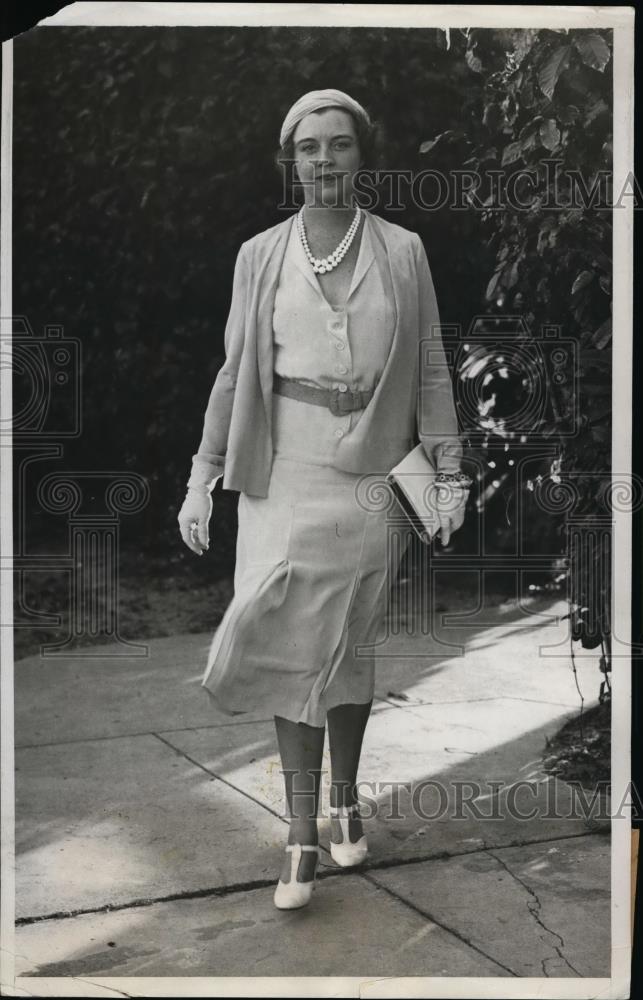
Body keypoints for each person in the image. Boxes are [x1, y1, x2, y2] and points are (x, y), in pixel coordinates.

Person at [177, 88, 469, 910]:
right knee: (287, 644)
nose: (325, 160)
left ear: (360, 155)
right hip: (283, 473)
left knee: (346, 648)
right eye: (310, 148)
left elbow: (432, 367)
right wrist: (202, 477)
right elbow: (235, 375)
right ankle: (300, 833)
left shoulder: (403, 251)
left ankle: (344, 799)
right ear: (290, 160)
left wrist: (448, 471)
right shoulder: (259, 255)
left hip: (374, 478)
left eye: (339, 145)